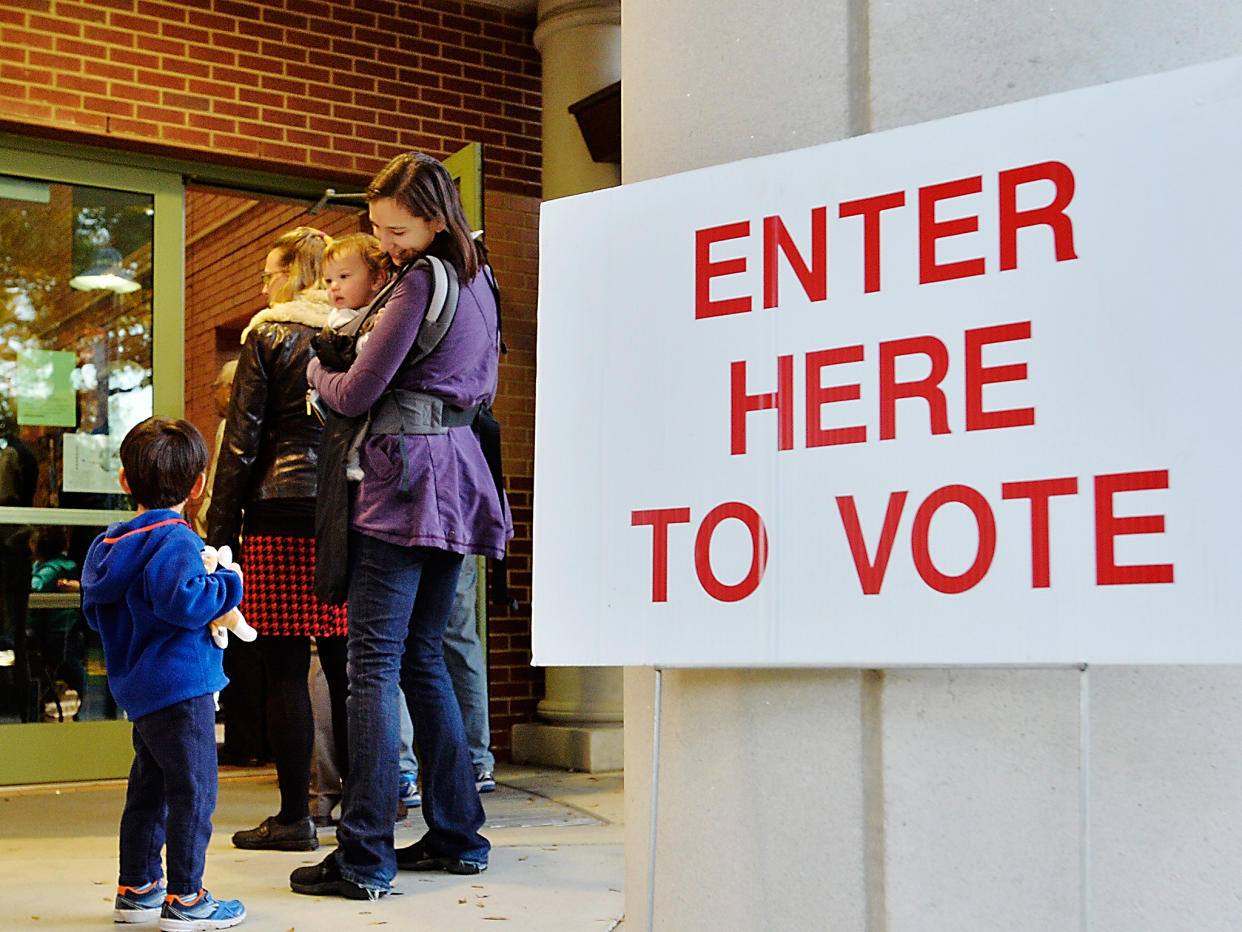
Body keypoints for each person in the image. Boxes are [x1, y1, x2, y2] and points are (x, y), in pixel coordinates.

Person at [291, 152, 512, 901]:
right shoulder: (481, 277)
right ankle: (458, 833)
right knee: (422, 658)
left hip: (400, 481)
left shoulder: (420, 280)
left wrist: (313, 371)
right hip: (457, 477)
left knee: (373, 666)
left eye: (397, 228)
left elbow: (355, 393)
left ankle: (363, 858)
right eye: (379, 230)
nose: (387, 244)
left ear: (432, 215)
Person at [207, 226, 348, 853]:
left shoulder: (267, 334)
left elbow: (242, 439)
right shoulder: (353, 327)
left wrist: (219, 527)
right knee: (351, 667)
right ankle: (368, 809)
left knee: (287, 667)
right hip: (346, 508)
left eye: (269, 272)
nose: (262, 285)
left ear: (293, 272)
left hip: (278, 510)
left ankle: (295, 817)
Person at [80, 416, 246, 930]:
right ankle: (187, 899)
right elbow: (184, 602)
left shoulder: (108, 547)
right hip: (184, 688)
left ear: (125, 482)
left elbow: (95, 610)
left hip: (143, 692)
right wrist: (227, 582)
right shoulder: (176, 541)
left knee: (149, 790)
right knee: (195, 792)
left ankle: (138, 887)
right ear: (198, 486)